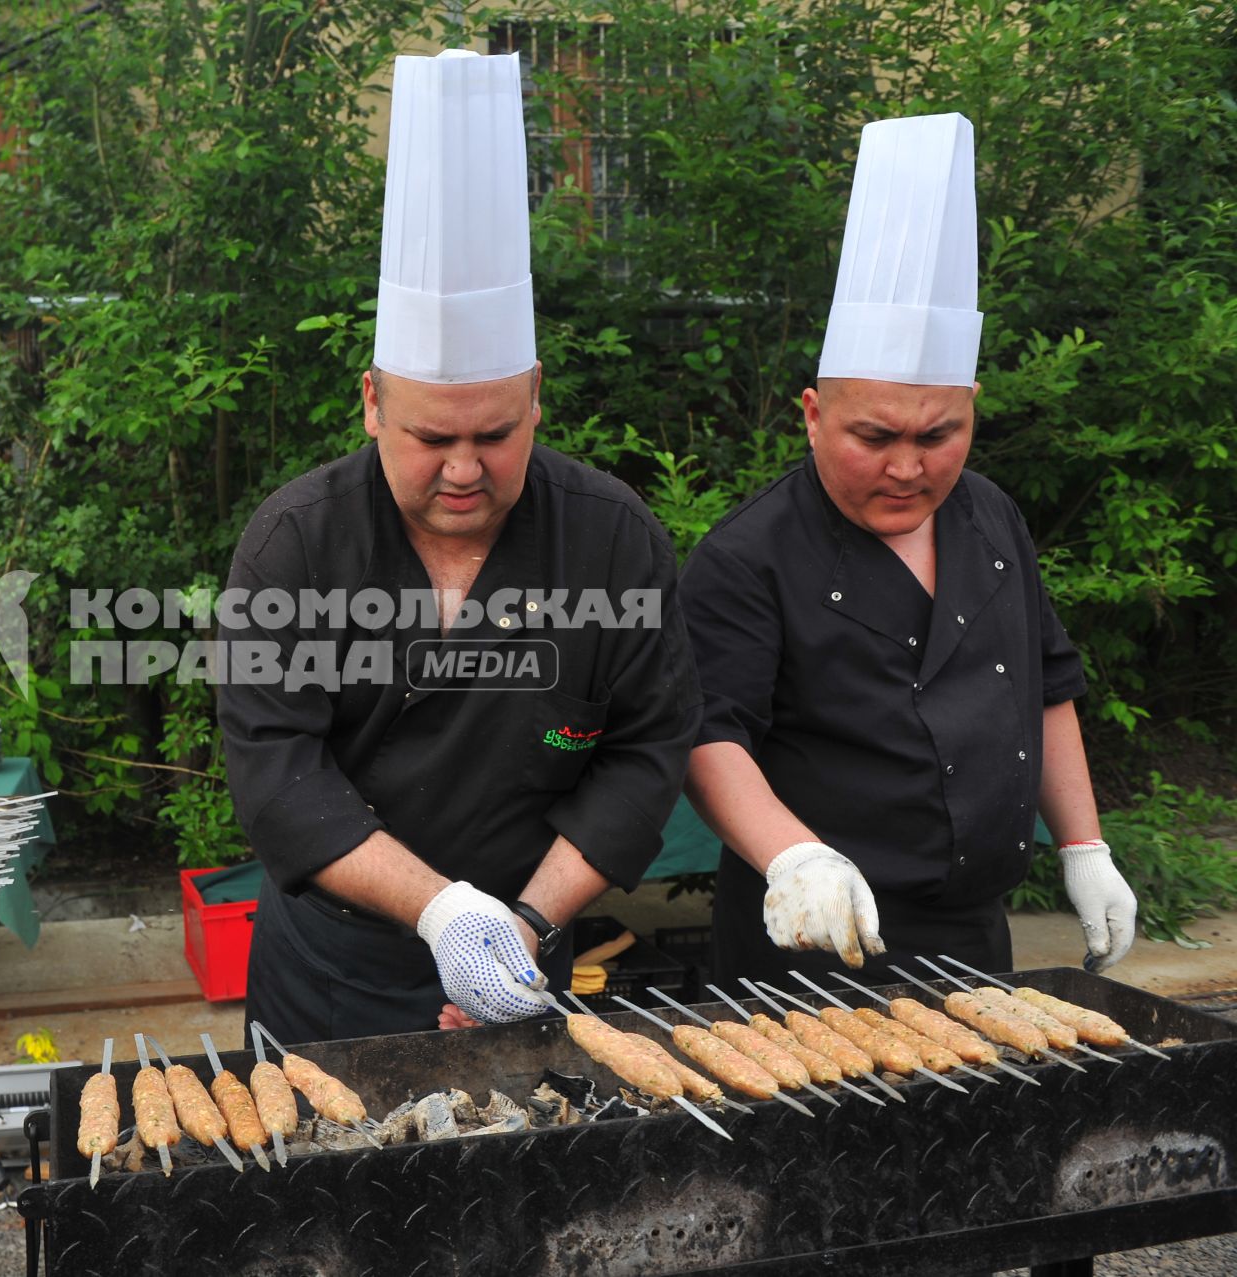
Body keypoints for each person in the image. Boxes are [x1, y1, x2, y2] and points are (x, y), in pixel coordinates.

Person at [218, 51, 700, 1045]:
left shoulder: (612, 541)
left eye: (496, 433)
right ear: (371, 403)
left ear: (536, 397)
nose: (466, 469)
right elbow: (278, 773)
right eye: (432, 438)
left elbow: (647, 751)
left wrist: (518, 924)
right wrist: (446, 910)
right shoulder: (296, 544)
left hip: (530, 944)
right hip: (333, 967)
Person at [678, 113, 1138, 986]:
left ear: (972, 405)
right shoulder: (749, 556)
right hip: (813, 941)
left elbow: (1048, 684)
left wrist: (1082, 844)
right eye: (875, 434)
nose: (907, 466)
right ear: (813, 414)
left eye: (939, 433)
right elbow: (707, 739)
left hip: (975, 931)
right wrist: (795, 858)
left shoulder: (991, 516)